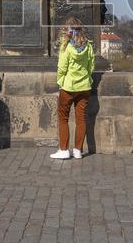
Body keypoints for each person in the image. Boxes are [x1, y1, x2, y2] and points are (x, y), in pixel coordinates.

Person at [50, 17, 95, 160]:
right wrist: (87, 78)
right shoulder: (88, 46)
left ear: (69, 31)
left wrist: (61, 82)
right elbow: (91, 66)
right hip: (85, 87)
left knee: (63, 118)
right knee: (81, 119)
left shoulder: (66, 47)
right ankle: (78, 150)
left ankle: (64, 150)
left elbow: (61, 68)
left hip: (68, 88)